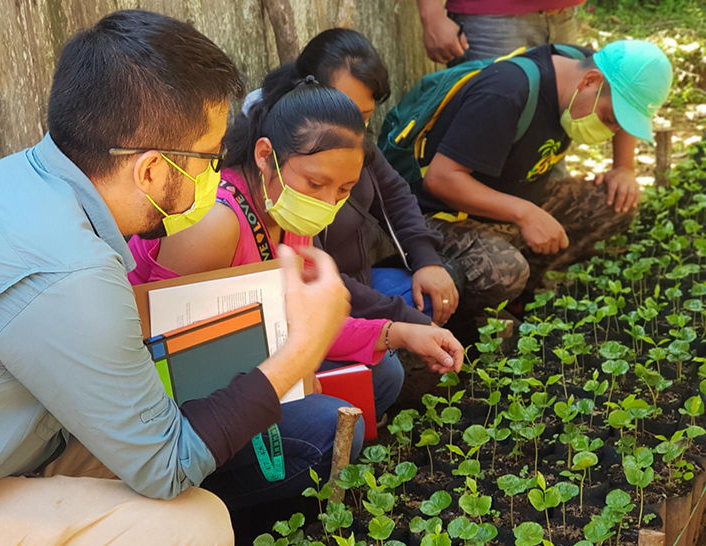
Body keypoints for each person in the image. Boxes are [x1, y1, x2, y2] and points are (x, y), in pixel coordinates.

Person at [0, 10, 352, 546]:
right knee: (196, 535)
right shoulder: (68, 267)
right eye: (209, 158)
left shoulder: (26, 183)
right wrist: (300, 351)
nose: (217, 176)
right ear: (150, 168)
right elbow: (164, 467)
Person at [129, 78, 464, 442]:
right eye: (315, 184)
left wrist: (398, 332)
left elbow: (301, 323)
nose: (327, 202)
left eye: (344, 190)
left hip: (246, 364)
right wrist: (289, 377)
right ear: (264, 156)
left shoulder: (288, 216)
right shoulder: (215, 223)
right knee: (328, 426)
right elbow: (160, 349)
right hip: (165, 404)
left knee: (383, 374)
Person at [249, 29, 531, 324]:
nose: (353, 127)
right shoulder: (281, 168)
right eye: (345, 110)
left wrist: (426, 260)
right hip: (321, 297)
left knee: (445, 287)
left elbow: (395, 194)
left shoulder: (355, 139)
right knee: (405, 333)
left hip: (363, 279)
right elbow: (315, 275)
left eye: (364, 115)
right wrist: (400, 322)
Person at [389, 40, 671, 297]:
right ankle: (470, 326)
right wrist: (525, 214)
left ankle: (527, 294)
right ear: (590, 81)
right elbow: (440, 181)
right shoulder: (505, 93)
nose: (611, 131)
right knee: (504, 269)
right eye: (609, 119)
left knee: (615, 202)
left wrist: (624, 168)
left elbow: (619, 100)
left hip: (516, 197)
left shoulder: (585, 65)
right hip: (443, 214)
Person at [416, 0, 584, 65]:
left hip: (564, 16)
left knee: (550, 133)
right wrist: (431, 13)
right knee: (487, 129)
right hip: (490, 21)